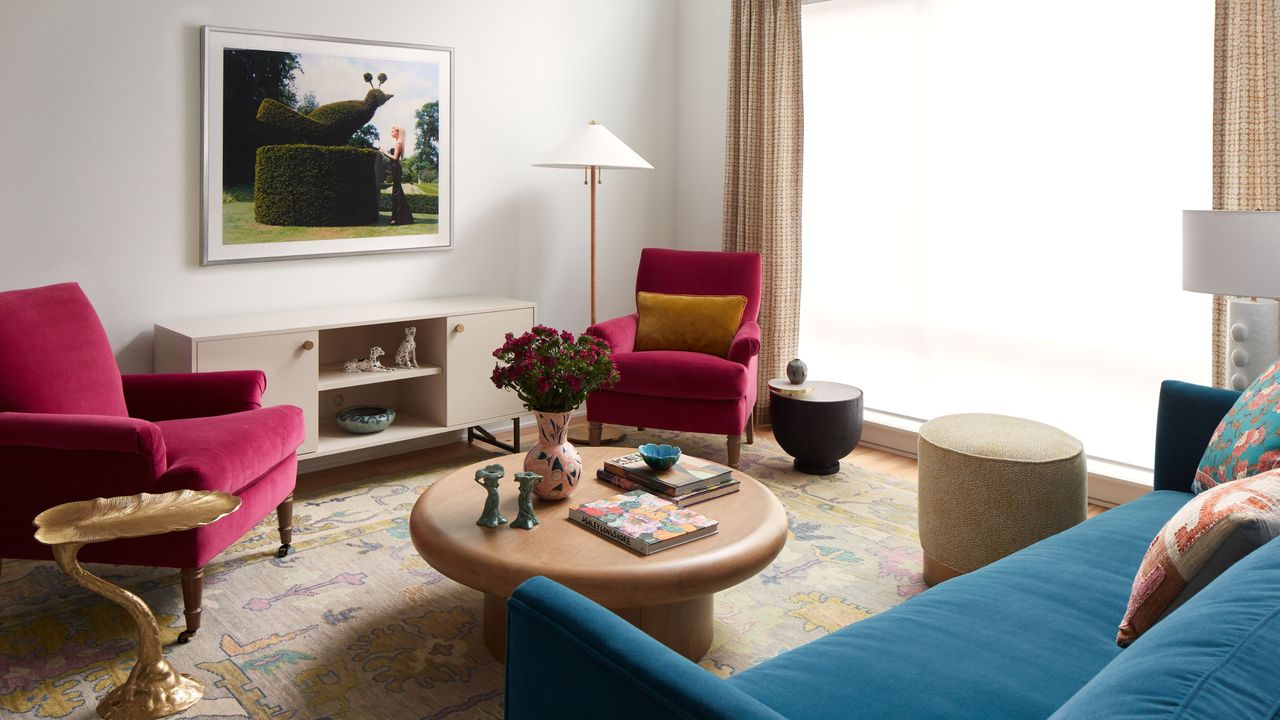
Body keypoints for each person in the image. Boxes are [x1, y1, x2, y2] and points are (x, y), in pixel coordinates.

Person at [383, 125, 414, 225]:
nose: (391, 133)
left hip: (396, 168)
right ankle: (398, 217)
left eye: (392, 131)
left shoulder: (398, 143)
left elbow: (395, 158)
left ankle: (397, 218)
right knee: (397, 192)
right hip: (395, 168)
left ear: (397, 132)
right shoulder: (398, 143)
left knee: (396, 192)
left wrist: (384, 152)